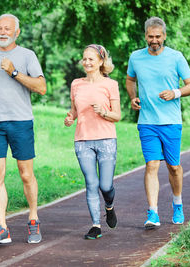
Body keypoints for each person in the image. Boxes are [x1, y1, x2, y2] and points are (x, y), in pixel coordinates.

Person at [0, 14, 46, 245]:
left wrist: (14, 72)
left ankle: (33, 218)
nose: (2, 32)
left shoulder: (27, 56)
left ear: (17, 32)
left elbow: (41, 87)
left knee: (26, 174)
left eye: (7, 28)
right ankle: (2, 227)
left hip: (20, 122)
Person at [126, 17, 190, 229]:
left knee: (173, 167)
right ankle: (153, 213)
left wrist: (175, 93)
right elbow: (130, 80)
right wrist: (132, 97)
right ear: (145, 36)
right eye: (150, 36)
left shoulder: (176, 57)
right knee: (152, 164)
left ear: (164, 36)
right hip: (147, 122)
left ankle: (177, 204)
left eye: (158, 36)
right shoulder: (136, 57)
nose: (154, 40)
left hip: (171, 122)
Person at [64, 44, 121, 239]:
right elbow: (74, 110)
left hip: (106, 139)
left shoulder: (110, 84)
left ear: (101, 61)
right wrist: (70, 117)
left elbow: (117, 115)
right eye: (84, 59)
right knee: (91, 182)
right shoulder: (76, 84)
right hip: (83, 140)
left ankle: (110, 206)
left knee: (105, 186)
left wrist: (104, 112)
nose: (87, 62)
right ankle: (96, 225)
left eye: (91, 59)